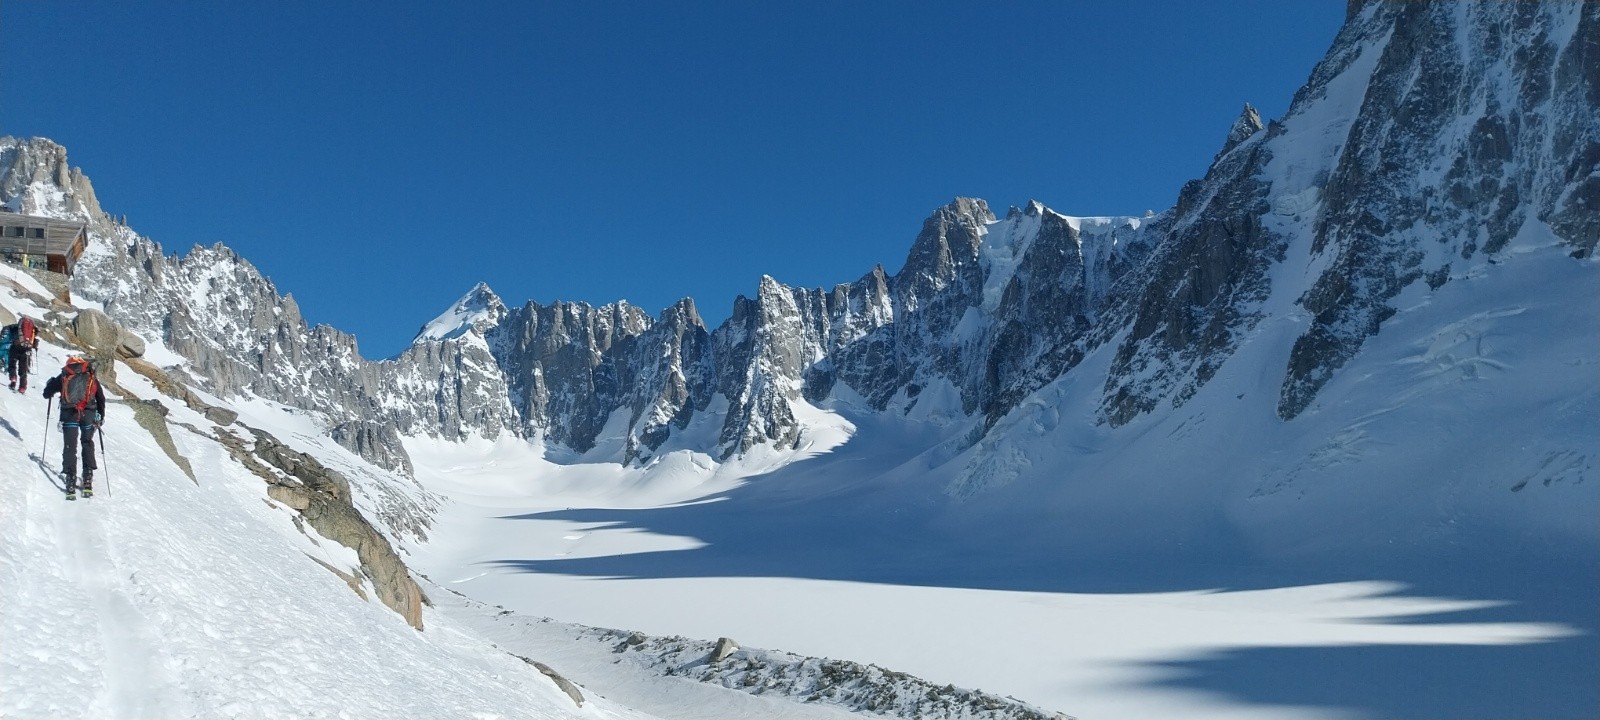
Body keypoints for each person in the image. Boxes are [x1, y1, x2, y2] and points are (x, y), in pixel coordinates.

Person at [43, 356, 106, 499]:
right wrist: (100, 415)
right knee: (87, 442)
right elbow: (100, 397)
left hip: (69, 414)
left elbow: (46, 394)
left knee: (70, 446)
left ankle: (70, 480)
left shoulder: (65, 375)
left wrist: (50, 385)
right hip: (88, 414)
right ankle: (88, 477)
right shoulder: (90, 375)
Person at [4, 315, 38, 393]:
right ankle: (22, 387)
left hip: (15, 347)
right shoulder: (33, 330)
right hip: (27, 350)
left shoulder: (16, 327)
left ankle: (13, 379)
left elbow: (8, 331)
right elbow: (35, 337)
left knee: (12, 364)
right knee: (23, 369)